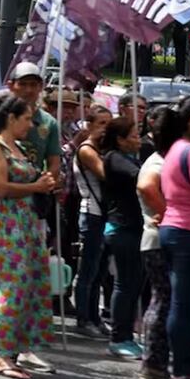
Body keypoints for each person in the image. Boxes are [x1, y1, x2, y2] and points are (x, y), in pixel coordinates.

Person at [0, 94, 55, 379]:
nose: (30, 125)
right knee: (10, 288)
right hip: (5, 222)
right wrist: (35, 186)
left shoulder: (20, 147)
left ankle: (2, 352)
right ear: (11, 118)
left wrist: (43, 184)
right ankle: (0, 355)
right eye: (26, 119)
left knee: (21, 287)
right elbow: (0, 188)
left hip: (24, 222)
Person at [156, 98, 190, 379]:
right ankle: (184, 369)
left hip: (175, 229)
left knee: (182, 302)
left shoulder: (175, 150)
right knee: (185, 303)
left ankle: (183, 366)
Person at [99, 116, 144, 359]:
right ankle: (119, 337)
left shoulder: (129, 157)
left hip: (134, 228)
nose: (138, 139)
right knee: (125, 284)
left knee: (133, 283)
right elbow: (139, 177)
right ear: (120, 139)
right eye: (134, 135)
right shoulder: (114, 158)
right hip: (122, 228)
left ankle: (127, 334)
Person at [136, 106, 173, 379]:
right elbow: (147, 188)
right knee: (162, 301)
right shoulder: (158, 162)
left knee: (162, 300)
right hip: (158, 239)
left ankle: (157, 361)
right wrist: (172, 216)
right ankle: (153, 362)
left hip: (158, 239)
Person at [72, 105, 111, 338]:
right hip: (91, 213)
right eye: (101, 124)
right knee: (88, 269)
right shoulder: (87, 150)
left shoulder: (103, 148)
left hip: (104, 214)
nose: (106, 129)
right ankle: (83, 317)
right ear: (90, 126)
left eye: (109, 124)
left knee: (100, 269)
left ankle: (95, 317)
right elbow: (106, 173)